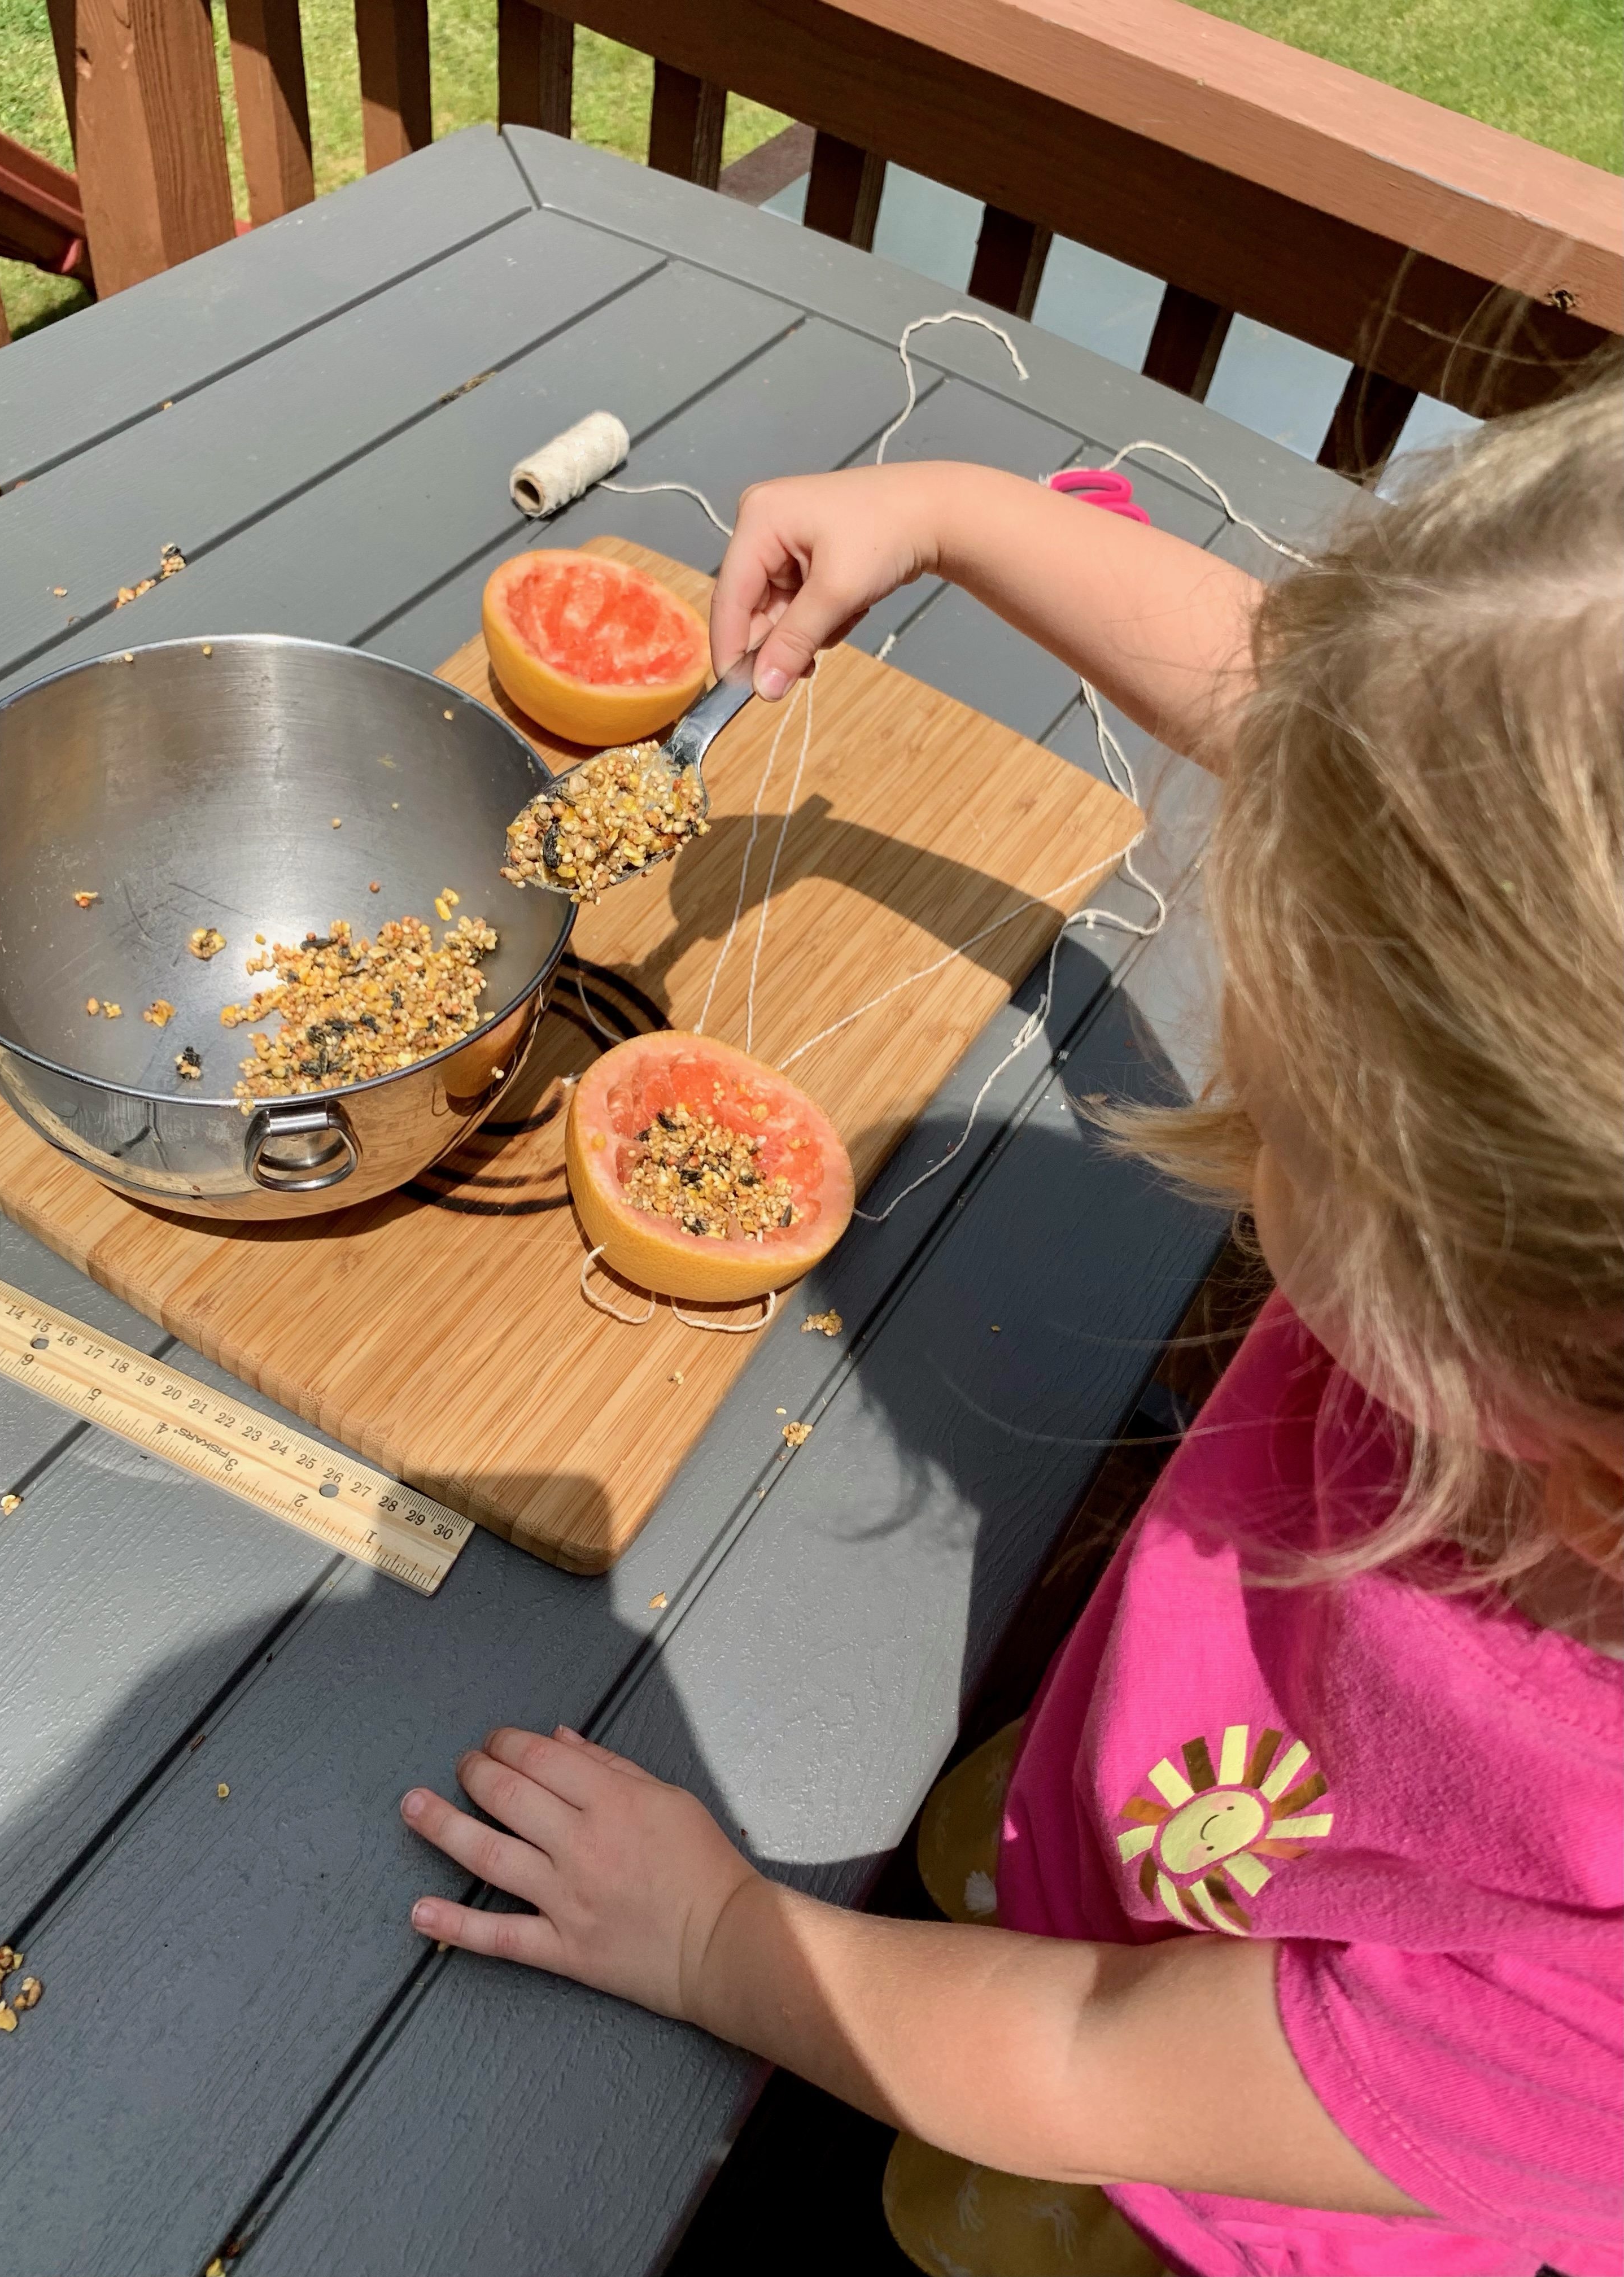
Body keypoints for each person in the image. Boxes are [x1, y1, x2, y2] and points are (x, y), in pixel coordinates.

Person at [399, 367, 1623, 2277]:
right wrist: (957, 515)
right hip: (1158, 1788)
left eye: (1284, 1106)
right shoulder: (1544, 1295)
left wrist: (715, 1937)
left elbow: (1080, 2050)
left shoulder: (1584, 2017)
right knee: (1026, 1869)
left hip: (1175, 2175)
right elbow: (1344, 744)